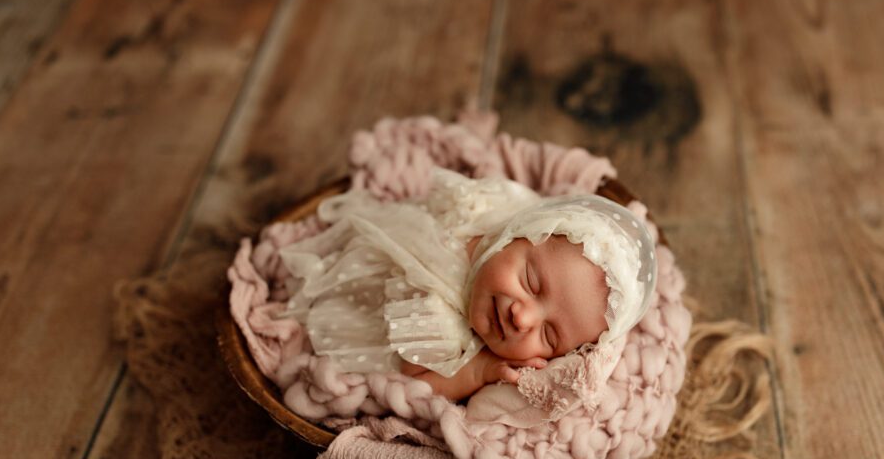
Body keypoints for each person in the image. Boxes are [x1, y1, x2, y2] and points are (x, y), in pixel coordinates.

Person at [277, 168, 656, 401]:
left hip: (379, 331)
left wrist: (475, 373)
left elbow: (413, 380)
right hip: (362, 279)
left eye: (550, 336)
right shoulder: (495, 215)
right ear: (514, 235)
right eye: (530, 282)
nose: (522, 317)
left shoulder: (444, 331)